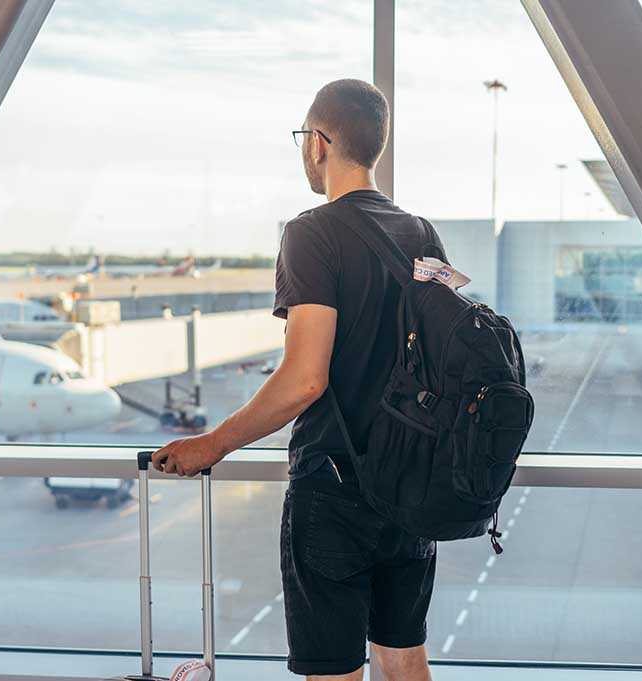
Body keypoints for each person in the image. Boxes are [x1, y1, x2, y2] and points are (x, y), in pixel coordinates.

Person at [152, 78, 443, 681]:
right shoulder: (421, 233)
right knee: (404, 658)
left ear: (318, 143)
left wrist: (214, 443)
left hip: (336, 490)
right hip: (412, 488)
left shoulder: (311, 233)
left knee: (334, 671)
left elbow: (305, 378)